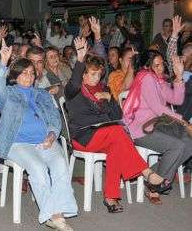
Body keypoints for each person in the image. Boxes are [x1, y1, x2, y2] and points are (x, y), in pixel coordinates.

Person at [65, 37, 170, 212]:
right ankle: (147, 173)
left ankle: (111, 197)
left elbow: (118, 116)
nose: (96, 77)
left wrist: (111, 99)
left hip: (107, 136)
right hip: (83, 137)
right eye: (91, 73)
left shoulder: (104, 90)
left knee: (116, 143)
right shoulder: (73, 91)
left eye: (98, 73)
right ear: (83, 74)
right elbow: (74, 82)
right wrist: (81, 59)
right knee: (116, 132)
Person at [0, 39, 77, 230]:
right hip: (18, 143)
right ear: (15, 75)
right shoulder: (9, 93)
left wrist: (52, 135)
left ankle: (59, 211)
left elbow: (55, 119)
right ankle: (53, 215)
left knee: (60, 163)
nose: (28, 77)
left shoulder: (42, 94)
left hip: (44, 140)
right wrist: (3, 62)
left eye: (31, 73)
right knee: (38, 168)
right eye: (24, 73)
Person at [123, 51, 192, 204]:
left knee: (189, 143)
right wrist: (184, 122)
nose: (161, 68)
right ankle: (155, 185)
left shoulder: (159, 80)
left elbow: (177, 100)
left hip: (157, 125)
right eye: (157, 65)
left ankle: (154, 176)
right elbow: (158, 108)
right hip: (139, 129)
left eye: (162, 64)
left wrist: (179, 77)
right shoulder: (146, 77)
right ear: (147, 66)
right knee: (177, 146)